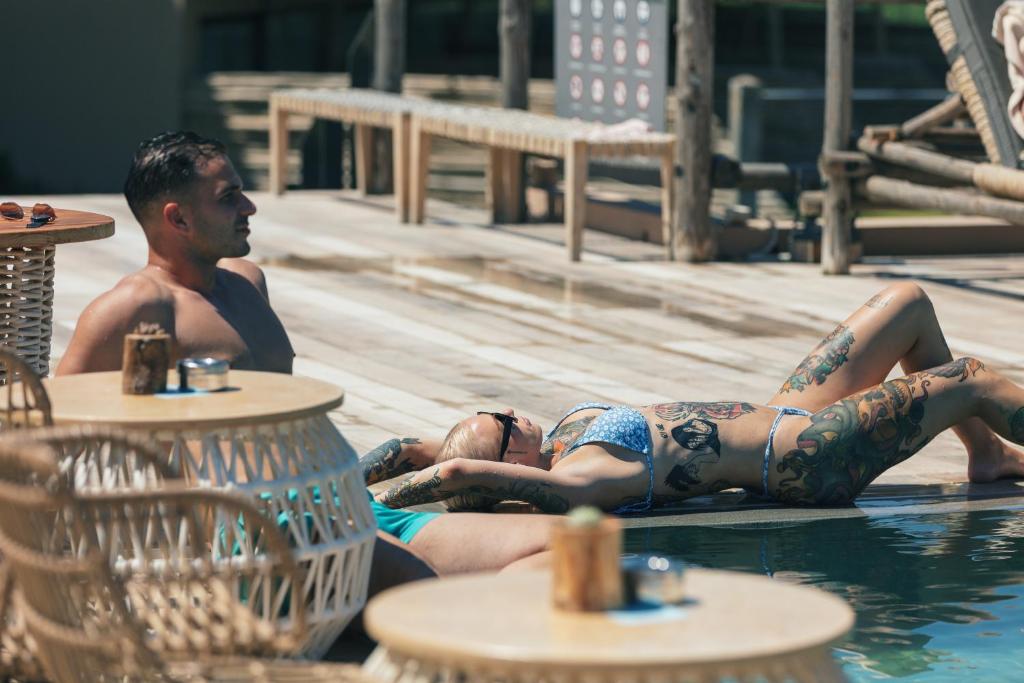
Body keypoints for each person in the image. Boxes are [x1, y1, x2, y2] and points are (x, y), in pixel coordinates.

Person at [55, 131, 554, 584]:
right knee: (431, 595)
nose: (250, 206)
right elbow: (51, 434)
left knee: (559, 549)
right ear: (177, 218)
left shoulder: (247, 282)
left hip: (345, 504)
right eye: (229, 197)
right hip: (261, 531)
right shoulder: (136, 308)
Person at [377, 282, 1024, 513]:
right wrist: (373, 507)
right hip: (806, 456)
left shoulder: (549, 446)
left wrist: (343, 484)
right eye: (500, 423)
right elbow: (454, 471)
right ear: (507, 467)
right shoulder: (582, 477)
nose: (507, 412)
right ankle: (990, 442)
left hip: (785, 414)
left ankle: (988, 454)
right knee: (971, 377)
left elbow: (412, 448)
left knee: (908, 303)